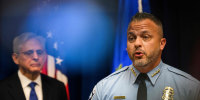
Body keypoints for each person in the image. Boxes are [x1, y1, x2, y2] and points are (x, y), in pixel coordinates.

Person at [89, 12, 200, 100]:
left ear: (162, 44)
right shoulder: (104, 88)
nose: (137, 43)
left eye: (145, 37)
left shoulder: (190, 89)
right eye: (131, 38)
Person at [0, 32, 68, 100]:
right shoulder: (2, 89)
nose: (36, 57)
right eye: (29, 53)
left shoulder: (58, 87)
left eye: (39, 52)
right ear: (16, 58)